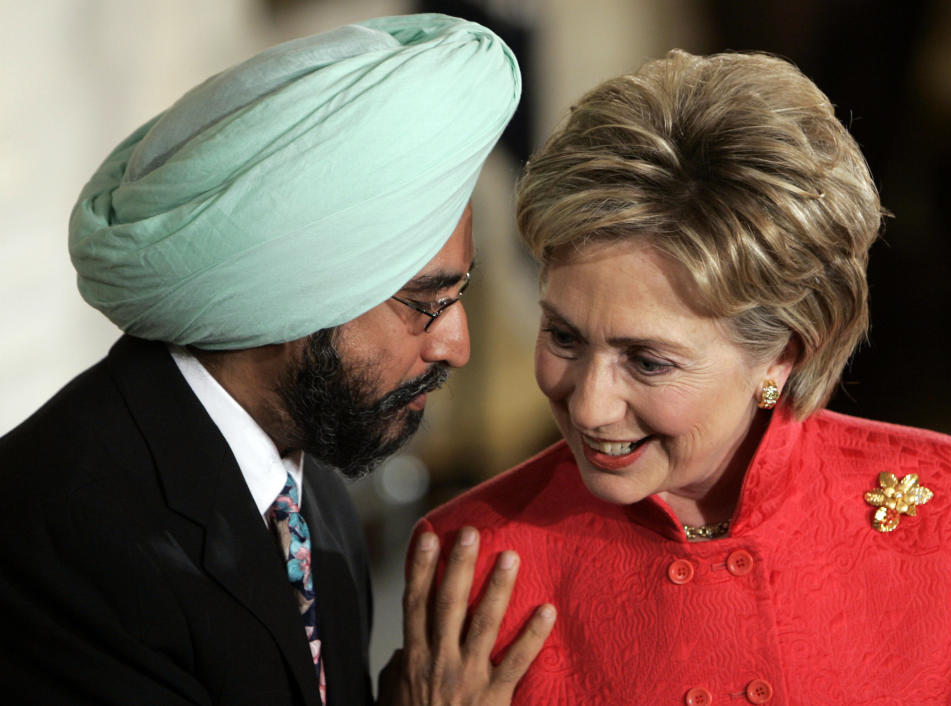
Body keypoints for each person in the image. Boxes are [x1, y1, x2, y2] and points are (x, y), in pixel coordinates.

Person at [0, 14, 555, 706]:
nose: (456, 345)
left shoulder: (308, 492)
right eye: (424, 301)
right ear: (294, 295)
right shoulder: (60, 540)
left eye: (459, 292)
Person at [417, 49, 951, 704]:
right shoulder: (470, 560)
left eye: (648, 361)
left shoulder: (946, 521)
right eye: (563, 336)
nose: (589, 406)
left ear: (784, 354)